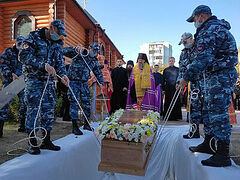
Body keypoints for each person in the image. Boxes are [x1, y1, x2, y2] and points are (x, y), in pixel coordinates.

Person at [178, 5, 238, 167]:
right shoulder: (213, 29)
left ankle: (222, 154)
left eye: (194, 19)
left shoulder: (211, 31)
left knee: (218, 113)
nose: (194, 23)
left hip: (220, 76)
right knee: (210, 111)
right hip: (213, 76)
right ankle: (209, 143)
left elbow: (203, 57)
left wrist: (186, 77)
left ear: (201, 16)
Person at [19, 20, 69, 155]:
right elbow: (23, 56)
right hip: (34, 80)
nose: (59, 37)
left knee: (48, 110)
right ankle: (32, 142)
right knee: (33, 109)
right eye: (58, 33)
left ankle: (46, 140)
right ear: (51, 28)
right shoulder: (33, 37)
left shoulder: (57, 44)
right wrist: (43, 65)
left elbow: (59, 62)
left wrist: (63, 75)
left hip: (48, 82)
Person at [63, 43, 104, 134]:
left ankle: (86, 124)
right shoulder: (80, 53)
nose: (95, 53)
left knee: (87, 103)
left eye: (96, 51)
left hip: (84, 83)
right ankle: (75, 127)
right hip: (74, 82)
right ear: (89, 48)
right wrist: (75, 49)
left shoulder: (94, 60)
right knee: (74, 103)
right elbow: (64, 51)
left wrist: (101, 82)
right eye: (93, 50)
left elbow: (98, 72)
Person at [0, 36, 26, 137]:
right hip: (10, 82)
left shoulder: (24, 53)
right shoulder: (8, 52)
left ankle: (22, 125)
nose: (21, 46)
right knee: (3, 105)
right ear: (15, 43)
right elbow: (2, 64)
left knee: (24, 103)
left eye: (22, 44)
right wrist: (10, 74)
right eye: (19, 43)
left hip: (21, 82)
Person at [177, 32, 201, 139]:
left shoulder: (201, 46)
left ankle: (212, 138)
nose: (184, 45)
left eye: (185, 42)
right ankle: (194, 132)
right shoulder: (184, 53)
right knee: (194, 106)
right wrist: (179, 82)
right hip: (194, 84)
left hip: (206, 82)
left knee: (209, 107)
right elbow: (182, 68)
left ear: (191, 38)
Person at [89, 55, 112, 120]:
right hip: (95, 87)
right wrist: (94, 80)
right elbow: (91, 77)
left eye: (102, 62)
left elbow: (108, 79)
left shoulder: (106, 70)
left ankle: (104, 116)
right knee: (95, 101)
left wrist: (108, 85)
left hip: (103, 87)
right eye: (99, 62)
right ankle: (94, 117)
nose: (100, 63)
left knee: (103, 101)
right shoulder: (94, 69)